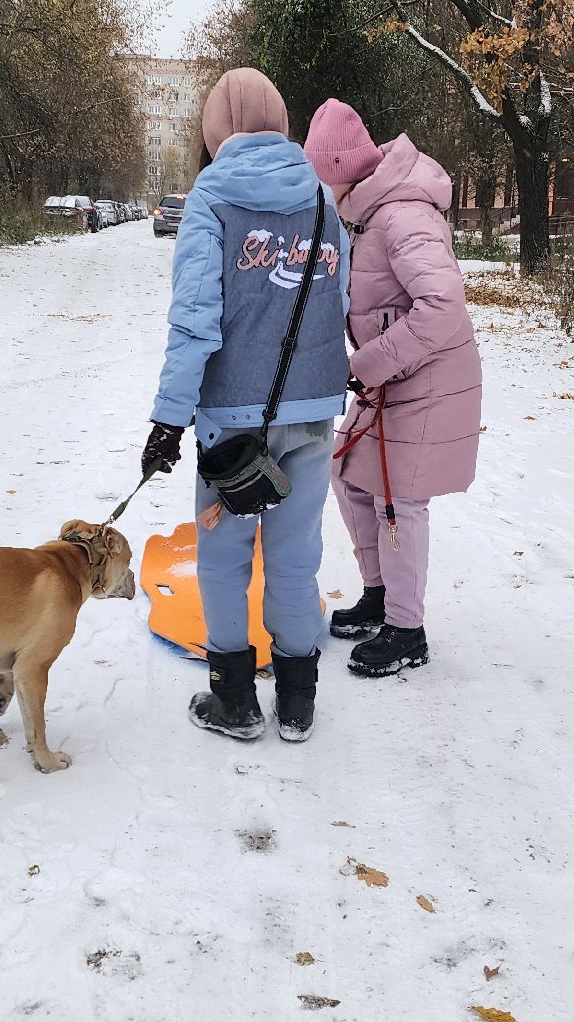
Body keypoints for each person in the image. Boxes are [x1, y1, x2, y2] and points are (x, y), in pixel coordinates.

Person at [141, 69, 350, 742]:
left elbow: (194, 319)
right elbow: (336, 302)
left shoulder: (211, 200)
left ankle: (235, 702)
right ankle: (297, 702)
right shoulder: (321, 200)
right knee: (296, 556)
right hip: (314, 409)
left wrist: (169, 419)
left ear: (214, 131)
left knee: (224, 558)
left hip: (233, 421)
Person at [302, 99, 482, 678]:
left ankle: (408, 630)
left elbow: (442, 304)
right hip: (393, 375)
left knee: (397, 499)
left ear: (340, 167)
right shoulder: (366, 209)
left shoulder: (402, 212)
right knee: (347, 471)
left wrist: (372, 360)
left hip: (428, 377)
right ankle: (380, 594)